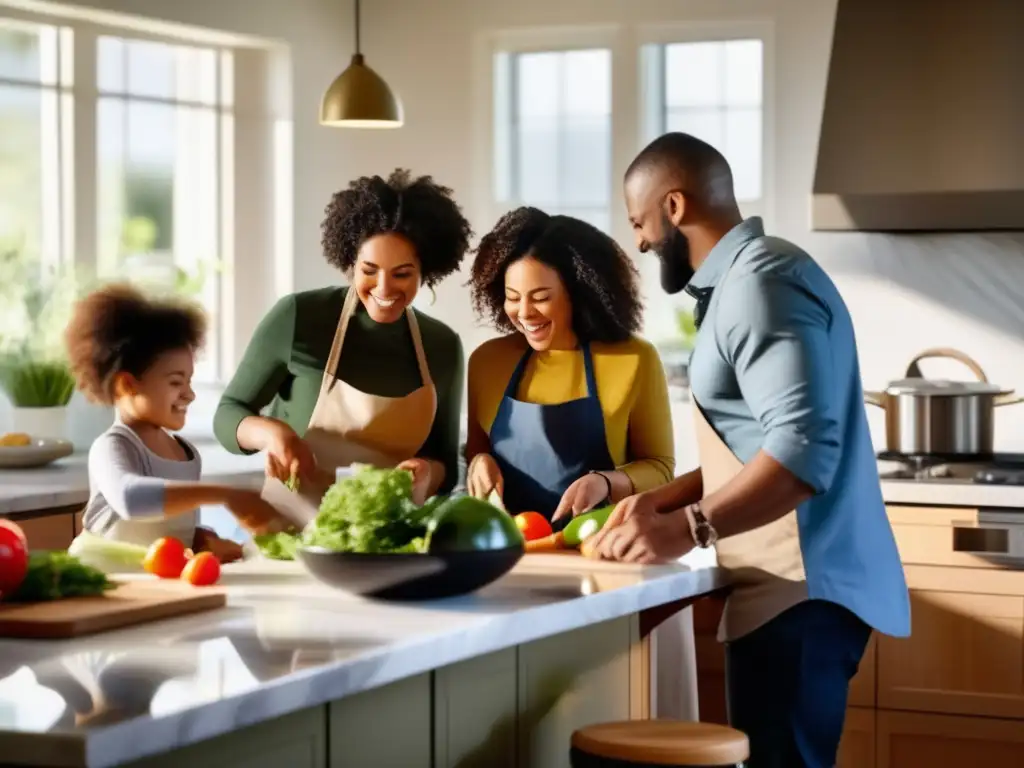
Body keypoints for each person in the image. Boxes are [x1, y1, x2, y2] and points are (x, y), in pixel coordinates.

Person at [584, 132, 910, 767]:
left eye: (639, 222)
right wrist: (659, 500)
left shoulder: (761, 285)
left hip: (802, 593)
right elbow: (760, 443)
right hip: (784, 592)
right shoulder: (745, 282)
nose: (642, 242)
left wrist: (688, 527)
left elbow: (802, 453)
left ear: (673, 207)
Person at [215, 169, 471, 521]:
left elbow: (446, 464)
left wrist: (427, 472)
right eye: (369, 270)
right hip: (286, 528)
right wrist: (272, 434)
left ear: (424, 270)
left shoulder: (441, 346)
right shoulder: (299, 318)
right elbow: (229, 412)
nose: (383, 289)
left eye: (402, 274)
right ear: (349, 261)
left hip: (387, 533)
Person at [464, 206, 674, 525]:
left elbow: (661, 469)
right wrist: (478, 461)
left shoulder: (634, 359)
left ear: (578, 293)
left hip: (600, 544)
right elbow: (476, 454)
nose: (524, 313)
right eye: (512, 297)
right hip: (509, 547)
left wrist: (605, 482)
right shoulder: (486, 361)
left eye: (540, 297)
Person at [65, 284, 286, 560]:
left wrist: (200, 537)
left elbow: (171, 525)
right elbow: (130, 499)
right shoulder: (113, 446)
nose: (189, 394)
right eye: (175, 382)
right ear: (126, 385)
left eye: (189, 381)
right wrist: (226, 494)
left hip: (164, 583)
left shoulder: (185, 453)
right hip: (111, 582)